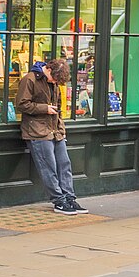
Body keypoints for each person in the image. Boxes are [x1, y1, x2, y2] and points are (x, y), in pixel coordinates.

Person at [16, 59, 87, 215]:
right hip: (37, 131)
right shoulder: (30, 79)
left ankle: (69, 198)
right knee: (49, 168)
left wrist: (61, 128)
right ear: (48, 70)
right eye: (54, 79)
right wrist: (45, 108)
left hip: (55, 130)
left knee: (64, 165)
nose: (55, 82)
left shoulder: (53, 81)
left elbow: (58, 107)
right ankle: (59, 201)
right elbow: (21, 104)